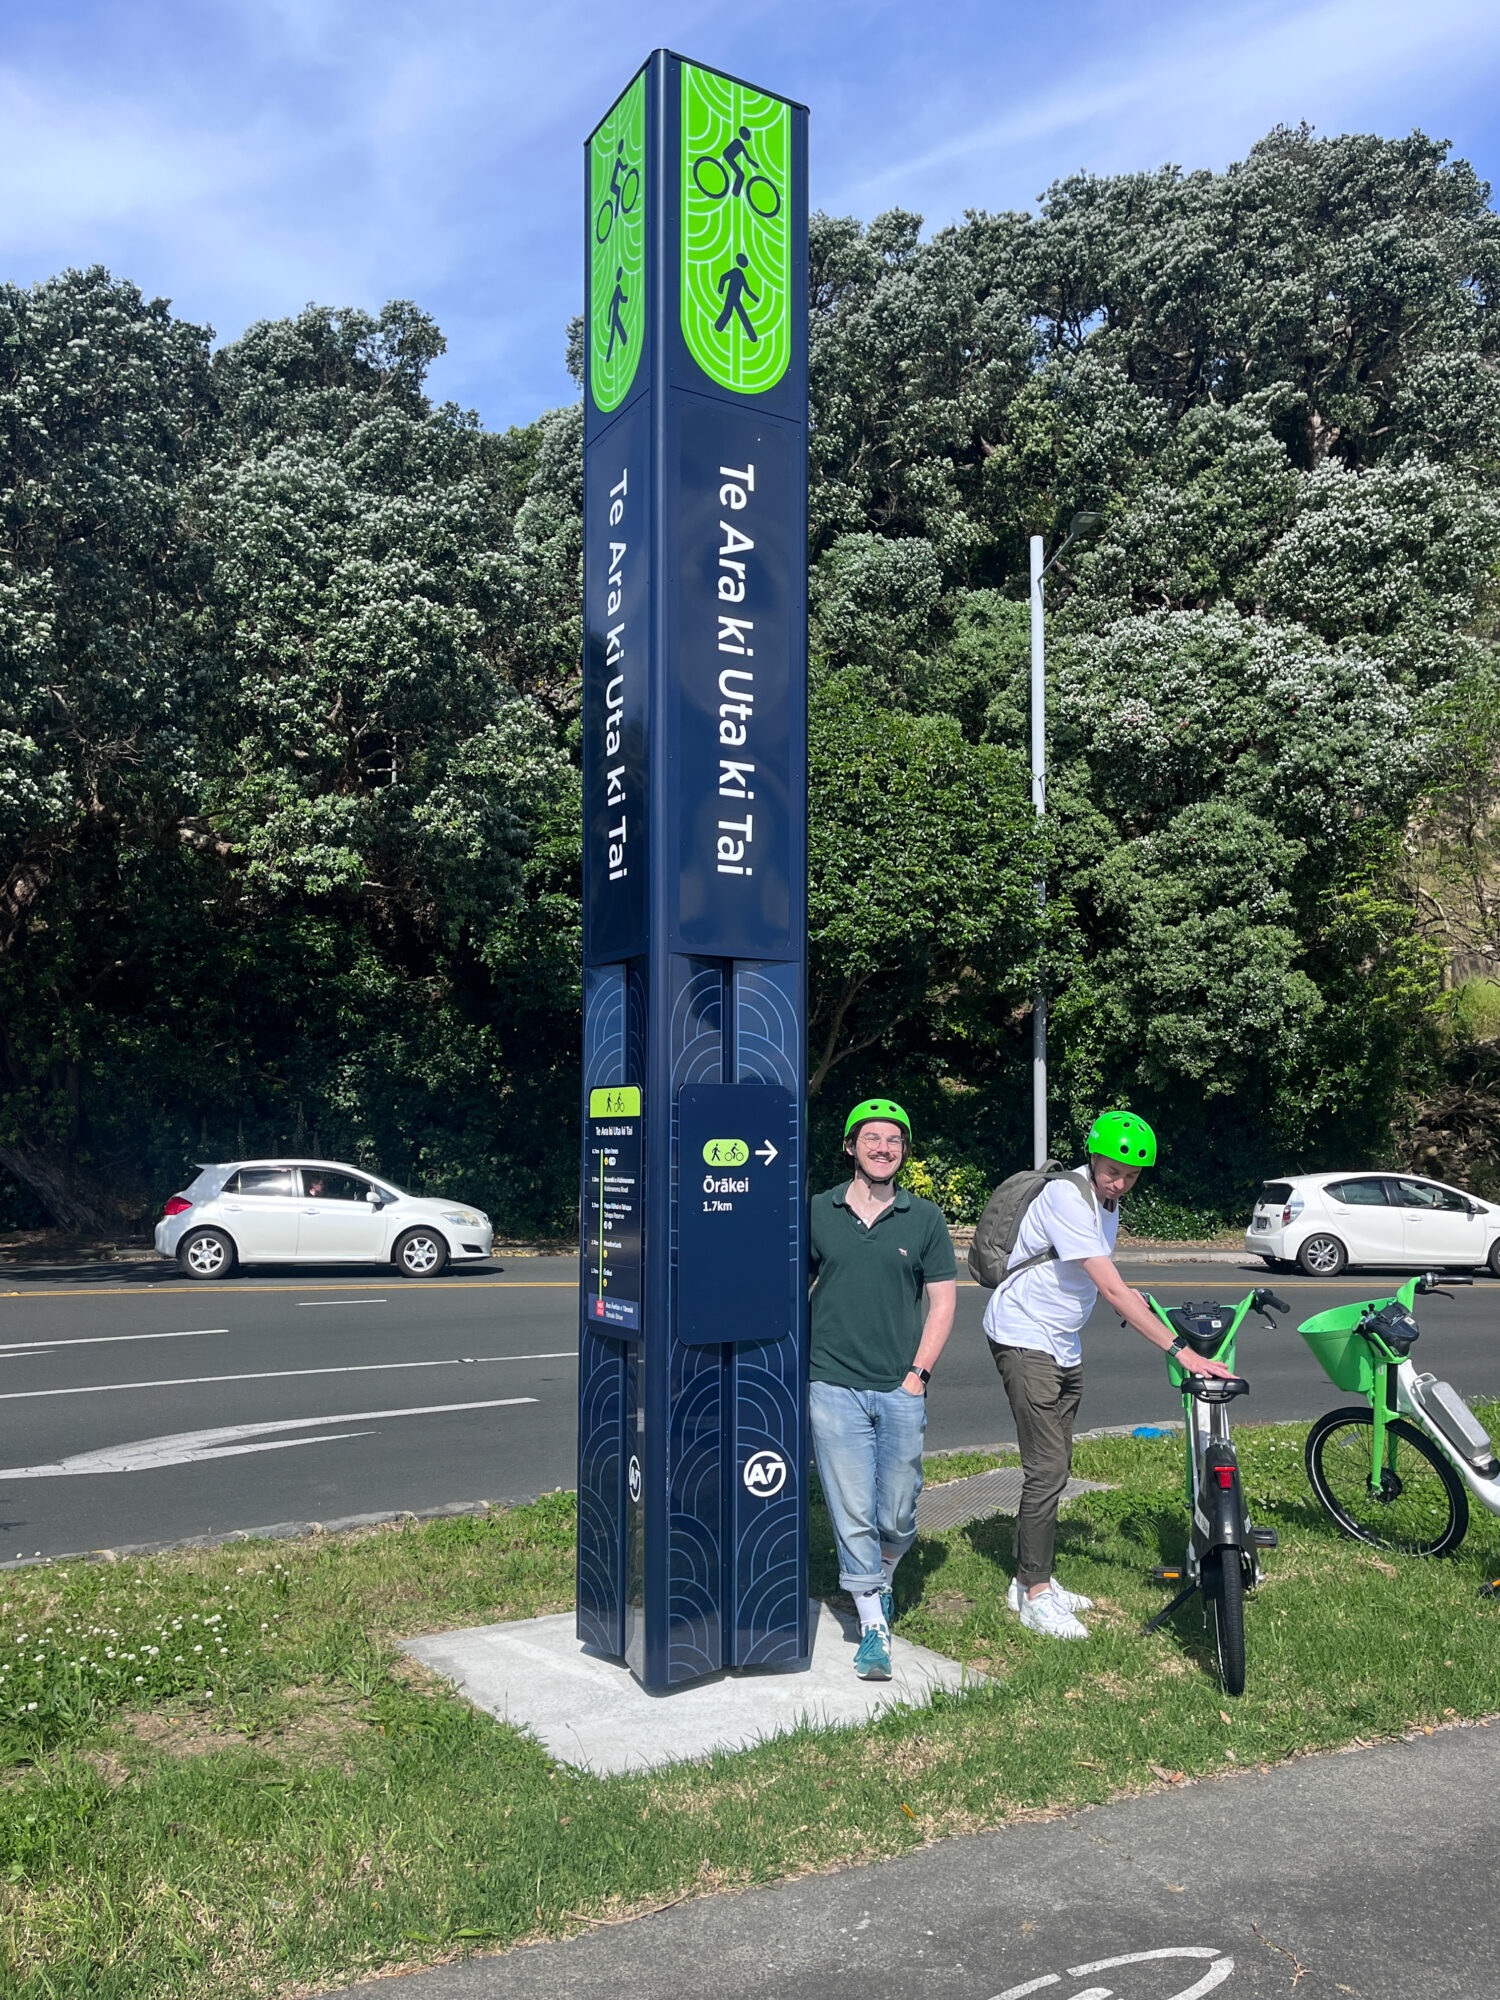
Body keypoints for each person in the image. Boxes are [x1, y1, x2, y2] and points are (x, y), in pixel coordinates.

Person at [983, 1111, 1233, 1641]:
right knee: (1047, 1467)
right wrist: (1181, 1351)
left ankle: (1027, 1574)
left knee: (1056, 1461)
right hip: (1024, 1334)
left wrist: (1134, 1299)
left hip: (1062, 1340)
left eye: (1131, 1175)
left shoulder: (1107, 1206)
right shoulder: (1067, 1198)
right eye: (1112, 1168)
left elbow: (1099, 1277)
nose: (1119, 1181)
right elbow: (1111, 1287)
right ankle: (1035, 1593)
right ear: (1093, 1155)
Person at [808, 1098, 957, 1681]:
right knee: (851, 1508)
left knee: (895, 1510)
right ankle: (873, 1624)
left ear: (903, 1151)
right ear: (850, 1146)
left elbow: (943, 1302)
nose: (882, 1148)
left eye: (893, 1140)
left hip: (900, 1385)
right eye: (870, 1138)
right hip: (832, 1383)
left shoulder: (924, 1218)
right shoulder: (818, 1210)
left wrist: (917, 1376)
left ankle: (883, 1575)